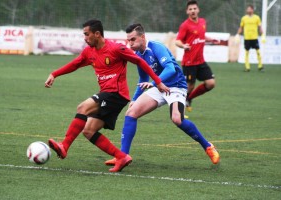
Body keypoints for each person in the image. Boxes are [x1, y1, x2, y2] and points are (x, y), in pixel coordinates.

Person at [44, 19, 170, 172]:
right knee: (89, 131)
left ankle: (64, 146)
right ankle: (122, 157)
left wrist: (158, 82)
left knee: (82, 107)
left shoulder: (116, 48)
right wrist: (54, 74)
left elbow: (139, 61)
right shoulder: (89, 52)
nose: (85, 38)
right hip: (107, 95)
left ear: (97, 34)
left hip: (116, 94)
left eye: (87, 34)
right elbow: (75, 64)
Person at [105, 23, 220, 166]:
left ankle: (208, 146)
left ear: (143, 37)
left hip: (176, 86)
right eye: (129, 40)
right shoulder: (138, 55)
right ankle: (122, 156)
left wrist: (154, 84)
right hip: (158, 86)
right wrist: (134, 99)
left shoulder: (156, 47)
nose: (130, 43)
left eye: (133, 39)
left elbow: (170, 69)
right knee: (131, 113)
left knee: (177, 119)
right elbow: (143, 79)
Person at [175, 0, 219, 112]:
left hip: (200, 61)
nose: (193, 11)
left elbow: (202, 35)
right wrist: (183, 45)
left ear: (198, 10)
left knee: (211, 83)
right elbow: (177, 41)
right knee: (189, 86)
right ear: (187, 11)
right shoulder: (185, 25)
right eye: (190, 9)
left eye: (194, 8)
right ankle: (179, 110)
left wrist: (211, 39)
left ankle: (189, 99)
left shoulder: (203, 22)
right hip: (189, 62)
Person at [236, 4, 265, 72]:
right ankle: (247, 67)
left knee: (258, 52)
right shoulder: (244, 18)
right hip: (247, 38)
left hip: (254, 37)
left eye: (249, 9)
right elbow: (241, 27)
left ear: (252, 10)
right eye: (247, 9)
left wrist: (263, 35)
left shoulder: (257, 18)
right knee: (246, 53)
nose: (248, 10)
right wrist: (237, 34)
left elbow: (260, 27)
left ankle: (260, 66)